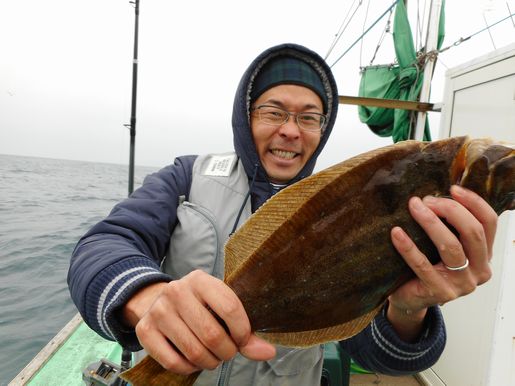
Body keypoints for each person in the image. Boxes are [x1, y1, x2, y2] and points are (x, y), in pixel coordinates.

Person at [68, 43, 497, 384]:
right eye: (273, 112)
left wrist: (409, 311)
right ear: (244, 116)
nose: (290, 130)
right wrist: (148, 298)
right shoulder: (187, 175)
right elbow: (103, 245)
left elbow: (370, 350)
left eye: (309, 118)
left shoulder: (351, 205)